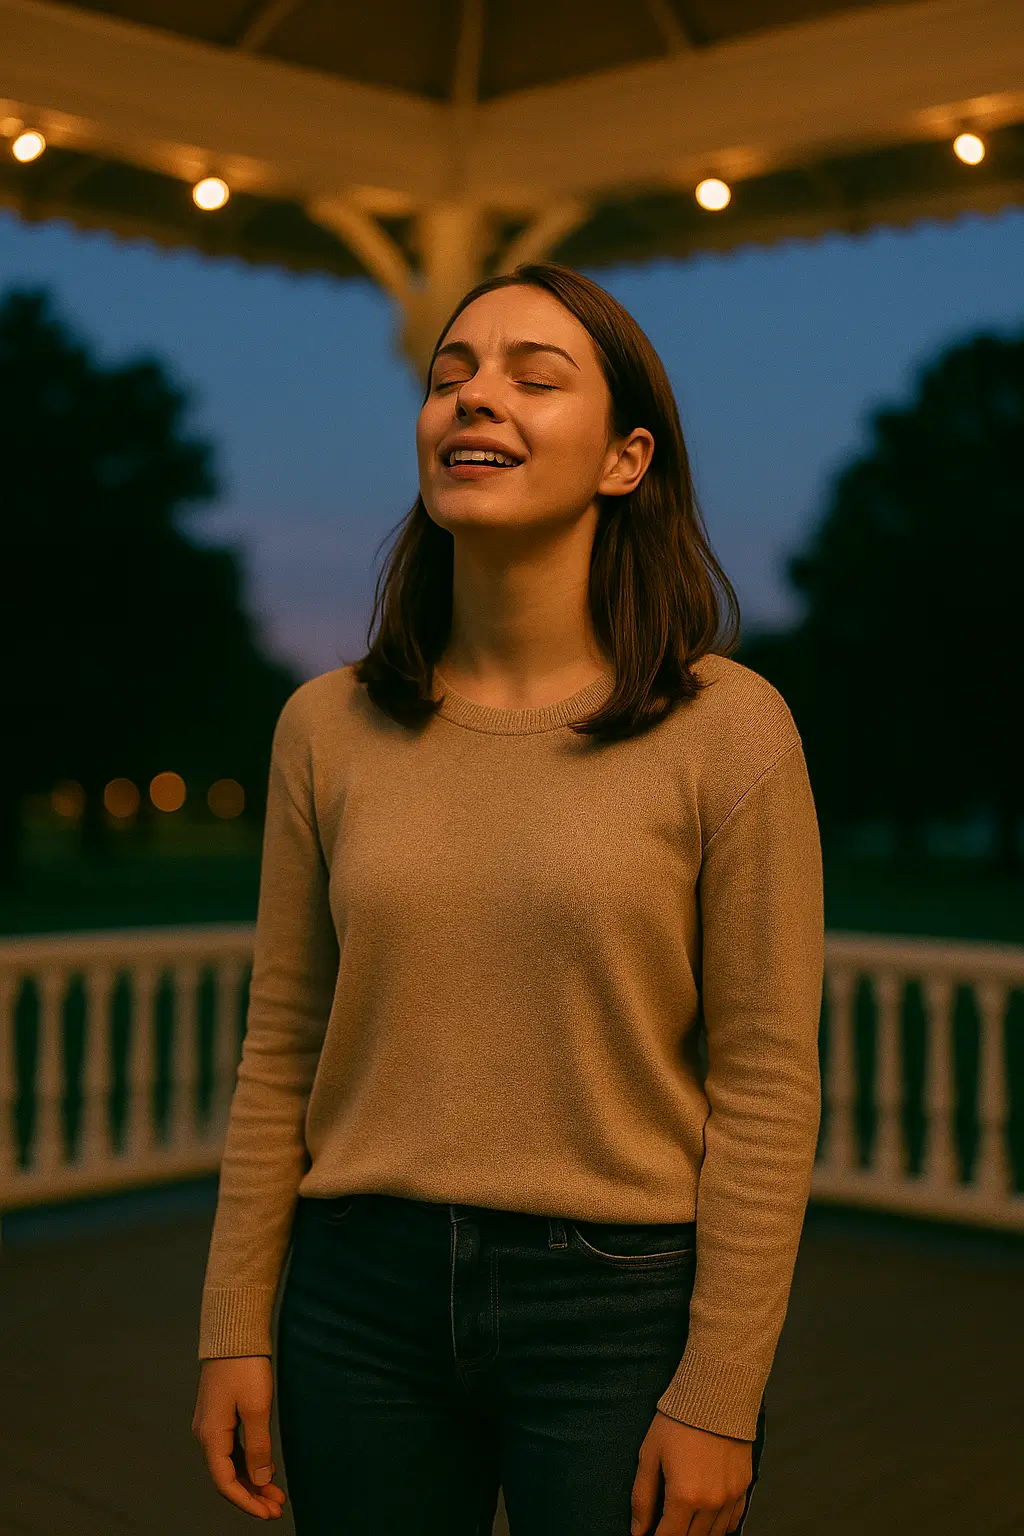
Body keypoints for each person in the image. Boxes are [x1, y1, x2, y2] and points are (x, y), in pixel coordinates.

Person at [191, 261, 824, 1536]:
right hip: (354, 1298)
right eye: (452, 376)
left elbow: (766, 1082)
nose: (475, 398)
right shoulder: (326, 726)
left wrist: (721, 1393)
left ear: (625, 460)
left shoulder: (729, 730)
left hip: (616, 1308)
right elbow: (281, 1047)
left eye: (534, 379)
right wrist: (233, 1323)